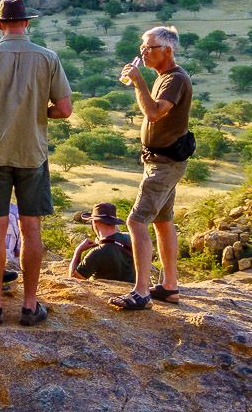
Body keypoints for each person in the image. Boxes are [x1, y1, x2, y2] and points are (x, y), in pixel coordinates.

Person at [0, 0, 73, 327]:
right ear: (27, 23)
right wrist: (39, 114)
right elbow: (65, 110)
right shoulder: (48, 58)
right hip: (33, 153)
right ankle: (29, 305)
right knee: (31, 227)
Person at [110, 26, 196, 311]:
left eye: (149, 48)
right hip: (163, 161)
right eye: (143, 48)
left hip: (163, 165)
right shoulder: (166, 78)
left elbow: (154, 112)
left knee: (136, 221)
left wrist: (137, 82)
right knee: (162, 220)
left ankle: (141, 291)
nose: (143, 53)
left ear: (167, 50)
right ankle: (169, 287)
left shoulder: (173, 80)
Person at [70, 203, 136, 283]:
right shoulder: (131, 238)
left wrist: (78, 251)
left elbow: (74, 280)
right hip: (132, 289)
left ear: (94, 222)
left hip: (109, 292)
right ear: (114, 222)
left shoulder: (97, 253)